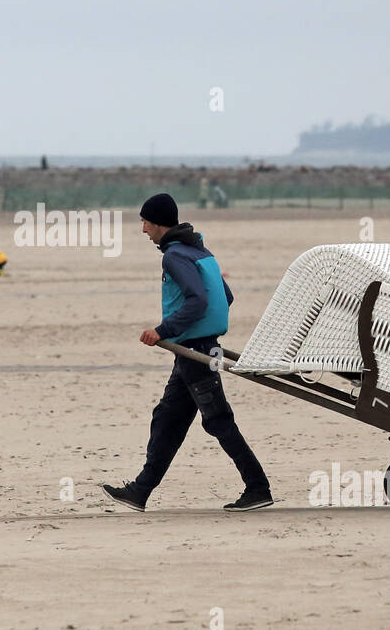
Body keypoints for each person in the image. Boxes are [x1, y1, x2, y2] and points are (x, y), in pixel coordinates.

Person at [102, 193, 273, 513]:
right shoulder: (199, 250)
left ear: (158, 223)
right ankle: (140, 491)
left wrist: (162, 330)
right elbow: (226, 296)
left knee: (219, 421)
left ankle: (258, 487)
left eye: (144, 222)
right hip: (194, 350)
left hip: (195, 350)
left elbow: (198, 300)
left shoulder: (175, 257)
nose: (142, 230)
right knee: (167, 419)